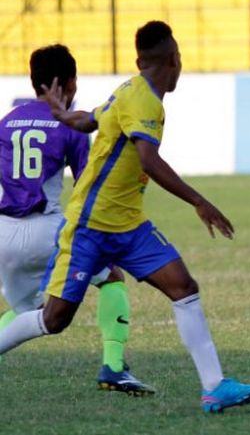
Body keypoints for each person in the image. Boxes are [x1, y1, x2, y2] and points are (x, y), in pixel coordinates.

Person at [0, 22, 250, 413]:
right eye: (177, 59)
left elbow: (89, 120)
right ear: (174, 61)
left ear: (140, 61)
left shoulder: (127, 90)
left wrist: (62, 113)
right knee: (54, 319)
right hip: (90, 226)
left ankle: (214, 386)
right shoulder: (144, 101)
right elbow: (148, 159)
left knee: (183, 287)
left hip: (127, 224)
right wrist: (198, 201)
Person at [0, 44, 153, 395]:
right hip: (45, 229)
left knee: (29, 310)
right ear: (68, 84)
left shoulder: (6, 123)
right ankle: (114, 366)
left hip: (4, 234)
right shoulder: (69, 126)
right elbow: (90, 184)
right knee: (112, 276)